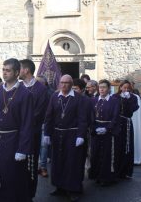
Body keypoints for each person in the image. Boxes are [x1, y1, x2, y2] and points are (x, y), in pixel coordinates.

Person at [0, 58, 33, 202]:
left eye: (8, 70)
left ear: (16, 72)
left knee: (11, 176)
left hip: (13, 142)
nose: (4, 73)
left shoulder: (25, 94)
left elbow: (27, 123)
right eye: (3, 69)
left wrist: (23, 149)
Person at [43, 74, 88, 202]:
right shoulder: (54, 97)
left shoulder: (79, 98)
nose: (64, 85)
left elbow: (82, 119)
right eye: (62, 82)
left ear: (71, 84)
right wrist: (47, 133)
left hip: (72, 135)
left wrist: (80, 135)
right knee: (58, 162)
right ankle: (60, 187)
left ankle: (73, 189)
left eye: (67, 83)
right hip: (57, 135)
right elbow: (49, 116)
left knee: (72, 163)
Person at [19, 58, 49, 200]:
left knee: (30, 166)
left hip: (31, 133)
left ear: (26, 70)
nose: (16, 71)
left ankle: (29, 194)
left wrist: (22, 123)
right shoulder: (18, 87)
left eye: (19, 68)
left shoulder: (41, 89)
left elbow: (39, 112)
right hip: (16, 133)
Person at [88, 79, 120, 186]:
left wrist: (107, 128)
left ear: (109, 88)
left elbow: (115, 117)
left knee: (107, 154)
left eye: (104, 87)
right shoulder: (94, 100)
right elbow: (91, 116)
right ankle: (97, 175)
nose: (101, 89)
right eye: (100, 87)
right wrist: (94, 127)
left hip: (108, 131)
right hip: (96, 131)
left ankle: (106, 177)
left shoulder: (114, 101)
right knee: (96, 153)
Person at [114, 80, 139, 179]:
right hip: (117, 123)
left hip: (127, 124)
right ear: (120, 88)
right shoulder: (115, 97)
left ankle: (126, 171)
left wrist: (128, 100)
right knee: (117, 146)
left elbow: (133, 109)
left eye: (128, 88)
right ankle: (116, 170)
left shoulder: (132, 97)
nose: (126, 90)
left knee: (127, 147)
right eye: (124, 88)